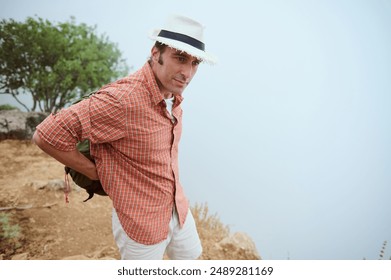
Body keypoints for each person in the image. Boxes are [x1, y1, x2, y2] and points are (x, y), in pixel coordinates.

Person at [32, 14, 217, 260]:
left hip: (177, 208)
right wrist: (95, 173)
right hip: (140, 222)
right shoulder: (123, 99)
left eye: (195, 63)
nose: (187, 72)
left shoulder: (173, 95)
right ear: (155, 53)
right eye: (180, 58)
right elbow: (46, 134)